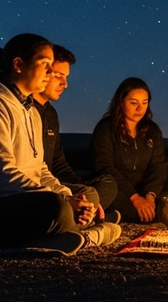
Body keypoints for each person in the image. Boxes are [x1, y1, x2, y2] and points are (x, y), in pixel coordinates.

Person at [0, 33, 120, 254]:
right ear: (19, 64)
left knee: (67, 203)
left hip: (8, 205)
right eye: (45, 66)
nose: (50, 74)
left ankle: (61, 234)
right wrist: (64, 202)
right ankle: (86, 233)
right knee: (55, 208)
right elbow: (0, 177)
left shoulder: (31, 112)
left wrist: (68, 195)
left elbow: (39, 169)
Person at [33, 44, 119, 222]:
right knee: (90, 194)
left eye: (66, 77)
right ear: (43, 72)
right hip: (37, 187)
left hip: (54, 182)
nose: (64, 84)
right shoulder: (23, 110)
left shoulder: (50, 114)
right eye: (58, 75)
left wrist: (79, 190)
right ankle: (92, 217)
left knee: (107, 184)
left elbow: (58, 163)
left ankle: (88, 211)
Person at [91, 77, 168, 223]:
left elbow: (158, 166)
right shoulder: (106, 128)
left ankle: (148, 210)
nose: (140, 108)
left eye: (144, 102)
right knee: (111, 195)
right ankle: (156, 213)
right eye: (133, 103)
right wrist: (134, 197)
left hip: (144, 191)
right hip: (121, 192)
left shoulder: (152, 131)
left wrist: (150, 196)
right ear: (121, 102)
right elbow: (103, 166)